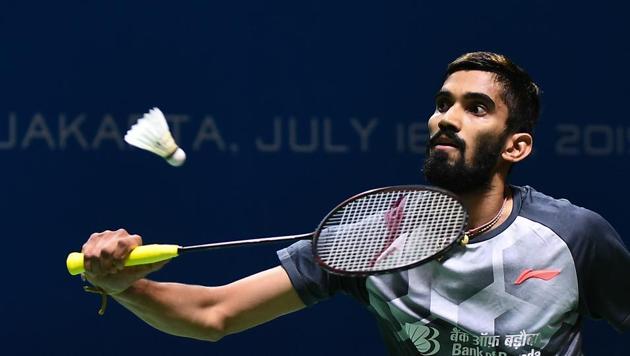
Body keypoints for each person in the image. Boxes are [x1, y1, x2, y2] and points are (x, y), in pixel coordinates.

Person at [81, 52, 630, 355]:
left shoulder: (573, 236)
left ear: (516, 145)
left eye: (476, 107)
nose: (446, 117)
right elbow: (213, 314)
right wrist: (125, 286)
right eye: (442, 103)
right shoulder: (367, 240)